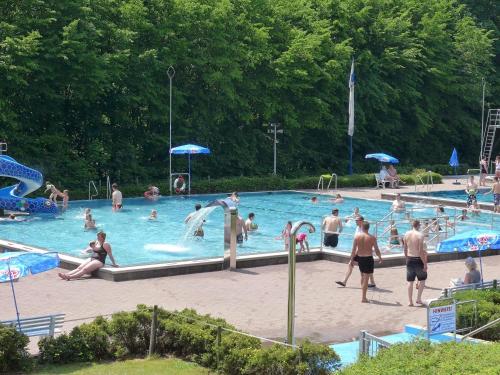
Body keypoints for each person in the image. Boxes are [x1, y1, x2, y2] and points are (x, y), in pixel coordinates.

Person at [336, 216, 377, 288]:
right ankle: (372, 282)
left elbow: (362, 242)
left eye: (357, 220)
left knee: (353, 265)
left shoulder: (363, 230)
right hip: (360, 251)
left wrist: (355, 253)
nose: (355, 221)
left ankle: (345, 282)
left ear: (362, 221)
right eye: (355, 220)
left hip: (360, 252)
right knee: (364, 268)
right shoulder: (358, 228)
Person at [347, 221, 382, 303]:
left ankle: (363, 294)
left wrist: (352, 259)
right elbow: (376, 249)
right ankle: (363, 298)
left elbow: (353, 250)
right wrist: (380, 257)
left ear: (362, 227)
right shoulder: (372, 237)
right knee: (366, 277)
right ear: (368, 228)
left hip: (360, 258)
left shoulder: (357, 237)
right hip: (368, 258)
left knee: (362, 276)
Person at [403, 220, 427, 306]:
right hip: (418, 259)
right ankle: (418, 299)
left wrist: (407, 258)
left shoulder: (406, 234)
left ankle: (410, 301)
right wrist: (424, 263)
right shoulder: (420, 235)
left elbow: (405, 249)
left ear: (412, 225)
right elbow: (420, 251)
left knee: (410, 281)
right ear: (419, 225)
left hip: (409, 258)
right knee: (422, 280)